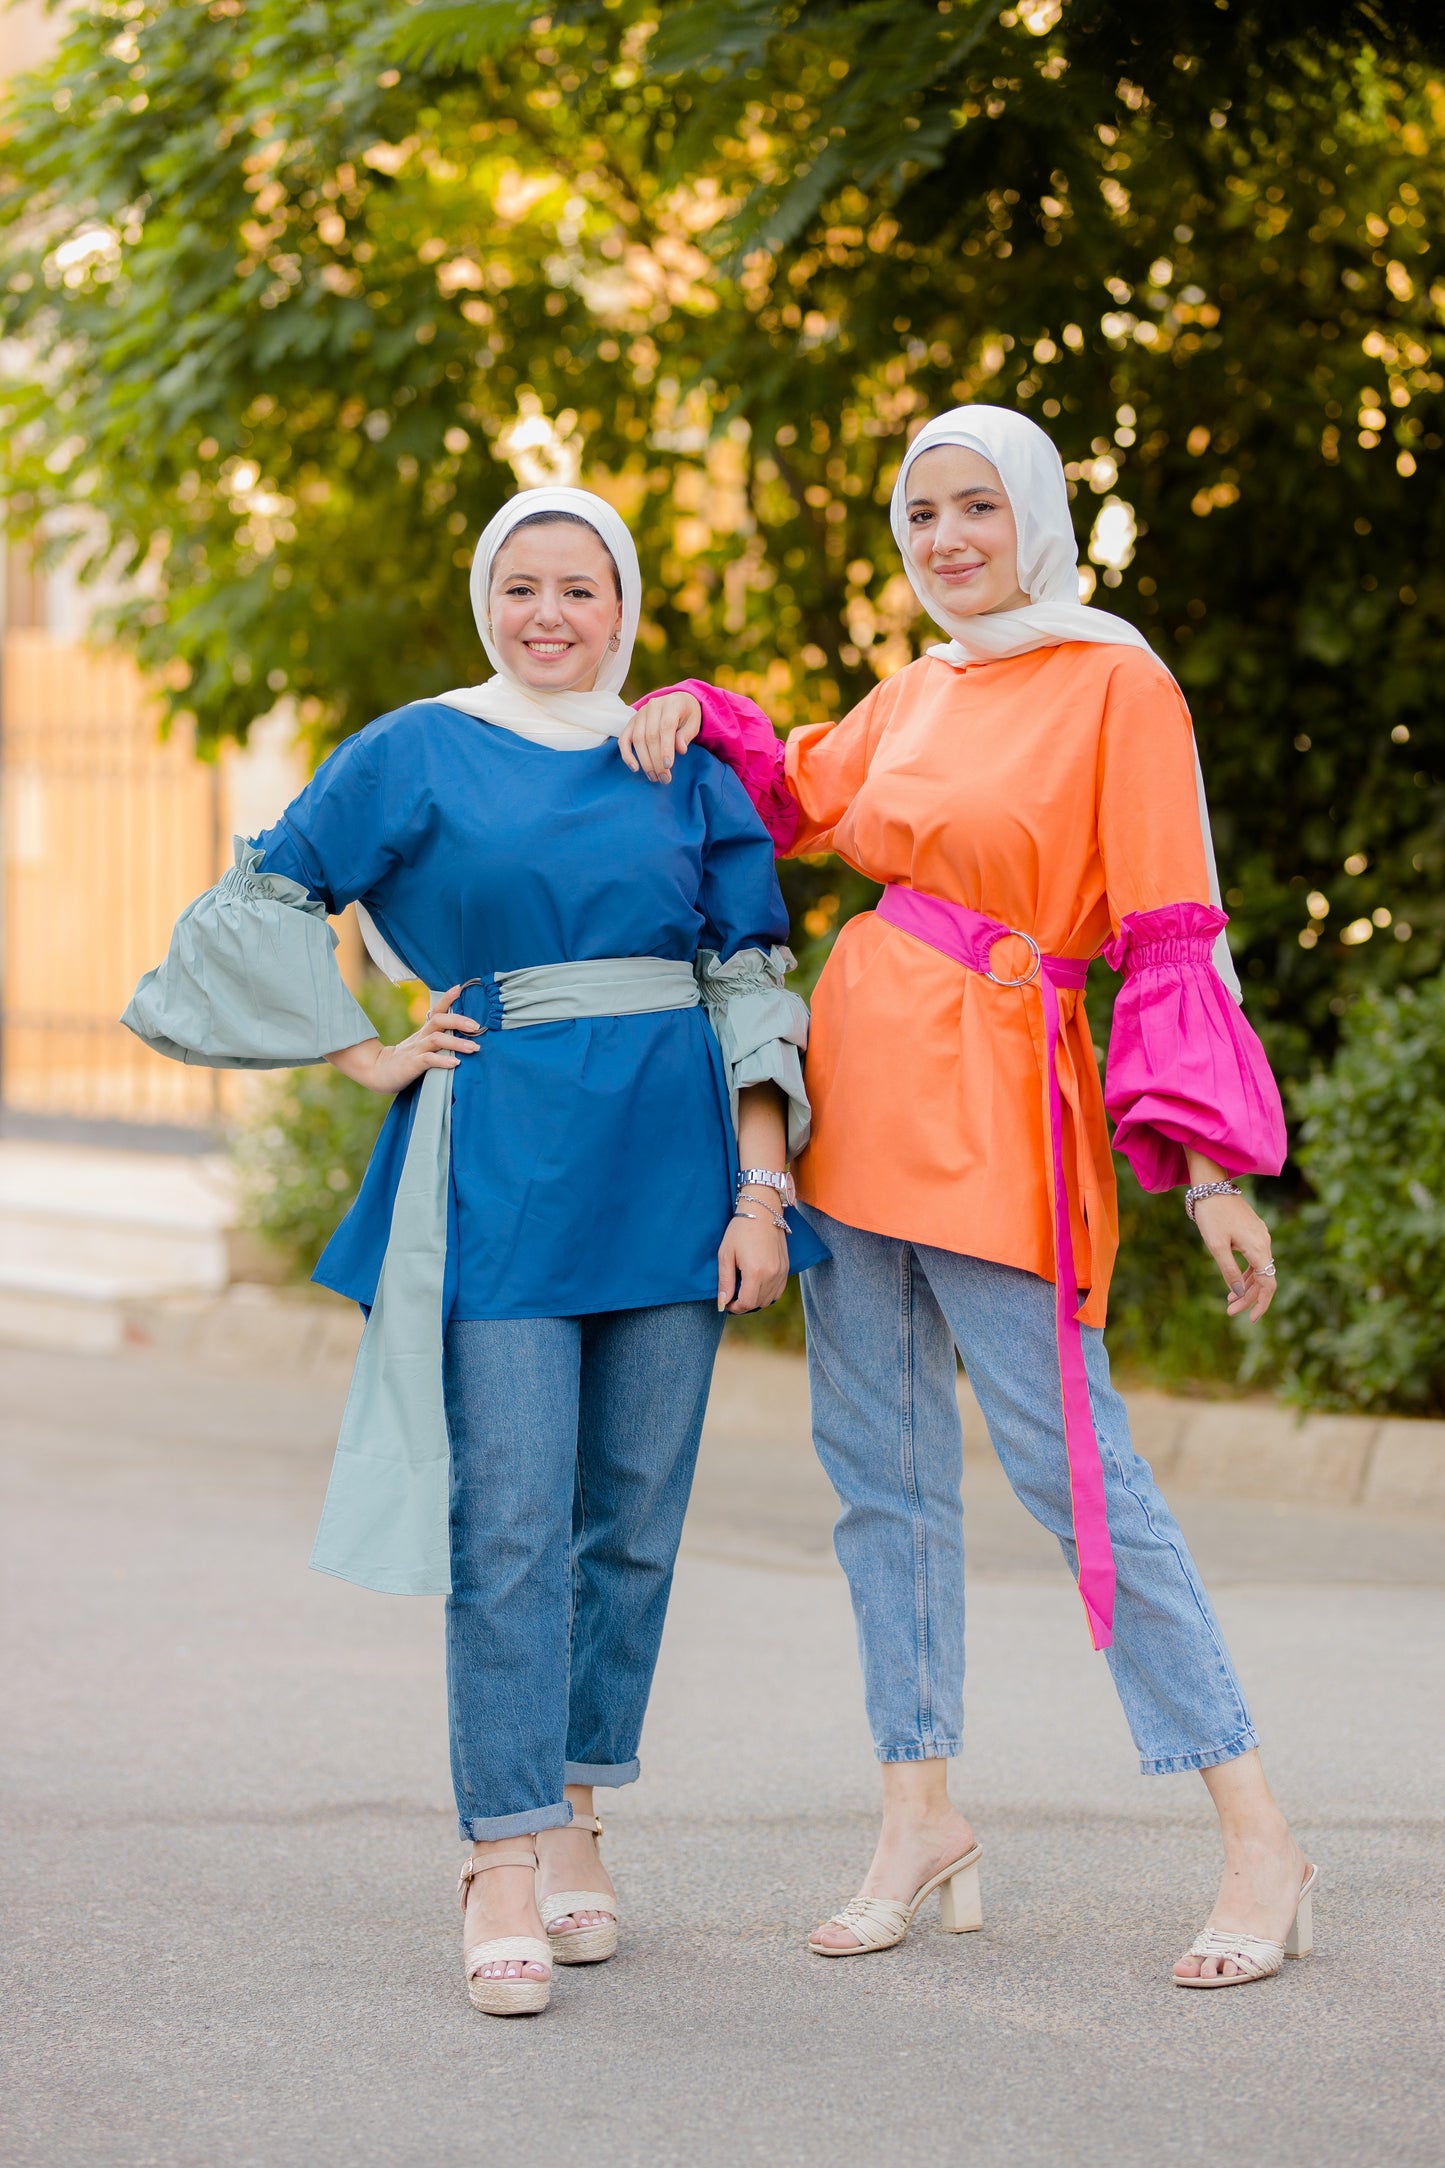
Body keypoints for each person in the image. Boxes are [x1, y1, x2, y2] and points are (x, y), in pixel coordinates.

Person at [622, 406, 1316, 1990]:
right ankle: (915, 1812)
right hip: (855, 1096)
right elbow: (791, 794)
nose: (943, 540)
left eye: (972, 510)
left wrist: (1207, 1170)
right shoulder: (918, 688)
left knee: (1081, 1475)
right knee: (878, 1473)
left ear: (1035, 518)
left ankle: (1256, 1837)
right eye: (919, 515)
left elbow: (1163, 930)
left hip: (1003, 1114)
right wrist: (691, 710)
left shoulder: (1114, 679)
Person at [124, 485, 824, 2018]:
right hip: (499, 1172)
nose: (550, 616)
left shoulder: (674, 758)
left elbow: (749, 982)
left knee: (629, 1521)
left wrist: (761, 1196)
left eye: (582, 589)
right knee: (510, 1519)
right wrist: (360, 1049)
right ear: (485, 597)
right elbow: (256, 906)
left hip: (676, 1169)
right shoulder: (415, 747)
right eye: (524, 587)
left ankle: (578, 1813)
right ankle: (498, 1859)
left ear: (623, 604)